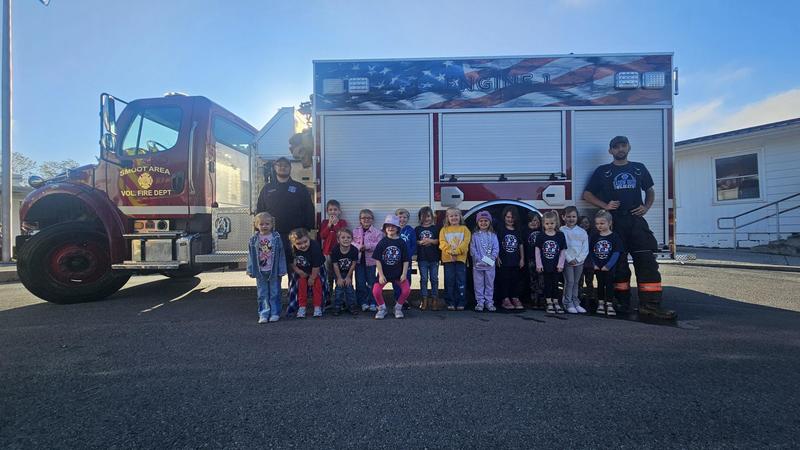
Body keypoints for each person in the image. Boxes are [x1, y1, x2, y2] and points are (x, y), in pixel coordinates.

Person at [582, 136, 676, 320]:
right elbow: (587, 194)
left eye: (623, 145)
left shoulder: (639, 168)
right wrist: (605, 206)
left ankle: (650, 305)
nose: (620, 149)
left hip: (636, 221)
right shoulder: (603, 171)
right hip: (615, 223)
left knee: (646, 262)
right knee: (619, 265)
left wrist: (647, 207)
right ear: (610, 151)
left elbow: (649, 190)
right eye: (616, 147)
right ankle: (621, 303)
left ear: (629, 147)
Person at [256, 157, 316, 268]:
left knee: (296, 269)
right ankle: (275, 286)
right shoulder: (267, 188)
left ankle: (293, 286)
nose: (282, 167)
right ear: (275, 167)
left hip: (295, 236)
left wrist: (306, 229)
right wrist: (258, 230)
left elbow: (309, 208)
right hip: (272, 235)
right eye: (280, 165)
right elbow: (260, 210)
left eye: (286, 166)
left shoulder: (300, 188)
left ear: (290, 168)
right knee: (273, 268)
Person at [246, 212, 287, 323]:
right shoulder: (254, 239)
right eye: (261, 224)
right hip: (260, 271)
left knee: (275, 292)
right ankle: (264, 313)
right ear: (256, 225)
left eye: (267, 224)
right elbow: (250, 255)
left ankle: (275, 313)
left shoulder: (276, 237)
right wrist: (250, 269)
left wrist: (282, 269)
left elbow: (281, 253)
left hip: (273, 271)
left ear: (272, 225)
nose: (264, 226)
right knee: (262, 293)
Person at [372, 215, 411, 319]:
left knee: (406, 290)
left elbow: (406, 260)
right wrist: (380, 275)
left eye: (393, 226)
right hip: (384, 274)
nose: (390, 228)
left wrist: (404, 273)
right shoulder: (382, 242)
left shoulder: (401, 242)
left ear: (398, 228)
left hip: (398, 273)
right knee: (376, 291)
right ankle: (382, 308)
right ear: (385, 228)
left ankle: (398, 308)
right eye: (388, 226)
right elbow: (377, 260)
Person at [590, 210, 623, 316]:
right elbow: (591, 252)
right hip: (598, 267)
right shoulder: (595, 237)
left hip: (609, 267)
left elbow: (616, 253)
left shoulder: (614, 237)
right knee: (599, 285)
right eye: (597, 224)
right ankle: (600, 303)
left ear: (610, 223)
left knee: (609, 285)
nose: (599, 226)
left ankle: (609, 304)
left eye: (602, 223)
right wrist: (594, 264)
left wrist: (608, 265)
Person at [439, 207, 471, 311]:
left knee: (461, 281)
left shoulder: (464, 229)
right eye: (451, 216)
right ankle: (450, 302)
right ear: (447, 218)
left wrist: (455, 252)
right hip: (448, 260)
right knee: (449, 281)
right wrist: (450, 252)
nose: (454, 217)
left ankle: (461, 301)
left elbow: (465, 243)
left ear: (460, 216)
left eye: (456, 215)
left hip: (460, 260)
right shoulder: (444, 230)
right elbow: (442, 243)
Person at [535, 211, 567, 314]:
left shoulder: (560, 235)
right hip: (545, 265)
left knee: (555, 284)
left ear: (556, 223)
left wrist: (561, 264)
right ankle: (549, 302)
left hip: (556, 265)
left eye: (552, 223)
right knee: (547, 284)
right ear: (543, 224)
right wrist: (539, 265)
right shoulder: (540, 236)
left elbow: (562, 251)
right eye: (547, 223)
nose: (549, 226)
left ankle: (556, 302)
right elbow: (537, 251)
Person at [289, 228, 324, 318]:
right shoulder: (291, 249)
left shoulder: (315, 246)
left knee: (317, 284)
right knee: (300, 284)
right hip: (301, 270)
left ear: (309, 239)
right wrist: (299, 271)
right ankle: (301, 306)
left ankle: (317, 306)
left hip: (316, 268)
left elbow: (317, 264)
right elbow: (291, 263)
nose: (303, 245)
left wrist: (312, 278)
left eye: (305, 242)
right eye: (299, 244)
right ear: (293, 244)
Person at [560, 206, 589, 314]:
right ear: (563, 217)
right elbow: (562, 247)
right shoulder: (562, 230)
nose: (571, 219)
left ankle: (576, 302)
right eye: (568, 216)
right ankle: (568, 302)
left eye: (573, 216)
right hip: (568, 261)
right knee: (569, 282)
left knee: (576, 282)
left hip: (579, 262)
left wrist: (578, 259)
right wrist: (569, 259)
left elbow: (585, 248)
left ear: (577, 218)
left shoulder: (582, 232)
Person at [352, 209, 383, 312]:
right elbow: (351, 242)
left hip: (371, 262)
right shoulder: (355, 231)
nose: (366, 220)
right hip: (359, 262)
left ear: (372, 220)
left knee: (371, 283)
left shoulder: (377, 232)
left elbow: (379, 244)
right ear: (360, 220)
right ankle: (363, 302)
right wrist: (358, 246)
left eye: (368, 218)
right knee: (360, 282)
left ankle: (373, 302)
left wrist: (368, 246)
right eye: (363, 218)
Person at [496, 206, 525, 310]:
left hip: (515, 261)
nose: (510, 219)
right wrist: (497, 256)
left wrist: (522, 258)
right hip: (504, 260)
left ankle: (515, 297)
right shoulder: (501, 229)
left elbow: (520, 244)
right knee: (504, 280)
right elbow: (497, 244)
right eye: (508, 217)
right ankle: (505, 299)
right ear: (504, 217)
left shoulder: (517, 230)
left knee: (515, 280)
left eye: (512, 218)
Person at [470, 211, 499, 312]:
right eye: (481, 221)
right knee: (478, 284)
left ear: (489, 222)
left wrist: (492, 258)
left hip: (490, 265)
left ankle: (489, 302)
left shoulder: (493, 235)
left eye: (486, 221)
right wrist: (479, 259)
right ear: (477, 222)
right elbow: (473, 249)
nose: (483, 223)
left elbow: (496, 248)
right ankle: (480, 302)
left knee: (489, 284)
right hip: (477, 265)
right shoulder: (475, 236)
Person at [319, 199, 349, 293]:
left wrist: (335, 224)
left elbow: (342, 235)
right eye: (330, 210)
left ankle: (339, 296)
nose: (333, 212)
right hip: (327, 253)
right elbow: (322, 236)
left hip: (339, 253)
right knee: (328, 275)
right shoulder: (324, 222)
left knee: (338, 275)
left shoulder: (342, 222)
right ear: (327, 211)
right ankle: (328, 296)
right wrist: (328, 225)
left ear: (339, 211)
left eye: (335, 209)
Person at [415, 206, 441, 311]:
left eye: (428, 216)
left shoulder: (436, 228)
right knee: (424, 279)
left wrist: (430, 241)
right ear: (420, 217)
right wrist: (420, 242)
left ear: (432, 217)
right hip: (422, 259)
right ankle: (424, 300)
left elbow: (439, 241)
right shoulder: (417, 229)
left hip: (434, 258)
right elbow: (414, 241)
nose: (426, 219)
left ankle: (435, 300)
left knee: (434, 279)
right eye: (424, 217)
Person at [330, 228, 359, 316]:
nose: (346, 239)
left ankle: (352, 306)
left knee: (349, 289)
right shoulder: (335, 250)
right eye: (343, 237)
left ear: (352, 239)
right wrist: (339, 278)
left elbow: (353, 264)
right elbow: (335, 265)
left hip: (348, 272)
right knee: (339, 289)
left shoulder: (354, 250)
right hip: (338, 272)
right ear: (338, 240)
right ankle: (337, 307)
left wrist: (348, 277)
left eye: (348, 237)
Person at [394, 208, 417, 309]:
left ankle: (404, 299)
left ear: (408, 219)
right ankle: (397, 299)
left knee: (406, 279)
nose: (402, 219)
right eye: (400, 217)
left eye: (405, 217)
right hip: (395, 261)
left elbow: (413, 245)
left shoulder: (410, 230)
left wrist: (408, 256)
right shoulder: (393, 229)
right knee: (396, 280)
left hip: (406, 260)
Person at [524, 213, 545, 309]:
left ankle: (542, 301)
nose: (534, 222)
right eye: (531, 220)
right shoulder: (525, 231)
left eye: (536, 220)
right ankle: (533, 301)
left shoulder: (542, 232)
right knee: (532, 281)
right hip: (531, 259)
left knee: (541, 281)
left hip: (541, 260)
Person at [578, 215, 597, 311]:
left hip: (590, 262)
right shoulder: (577, 234)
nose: (584, 225)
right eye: (581, 223)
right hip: (580, 263)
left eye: (586, 223)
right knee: (579, 281)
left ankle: (591, 297)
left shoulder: (593, 234)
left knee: (589, 281)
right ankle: (580, 297)